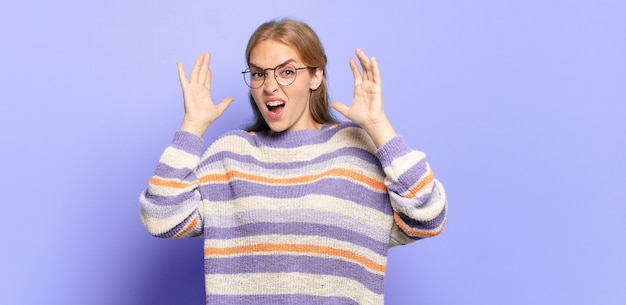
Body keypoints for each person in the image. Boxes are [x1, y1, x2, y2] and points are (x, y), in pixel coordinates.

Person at [139, 18, 447, 305]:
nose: (270, 86)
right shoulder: (230, 154)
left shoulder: (355, 151)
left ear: (316, 76)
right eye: (259, 73)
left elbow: (428, 216)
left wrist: (378, 126)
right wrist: (193, 124)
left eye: (286, 72)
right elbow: (162, 217)